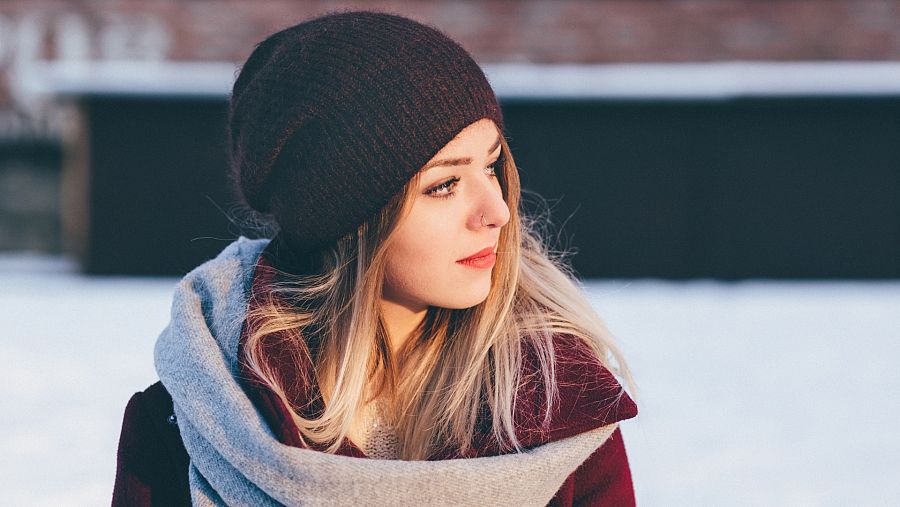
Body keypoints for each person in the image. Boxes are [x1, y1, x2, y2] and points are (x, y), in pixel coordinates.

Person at [112, 9, 638, 507]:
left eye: (492, 165)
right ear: (348, 222)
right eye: (445, 184)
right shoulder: (190, 426)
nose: (497, 210)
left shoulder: (556, 414)